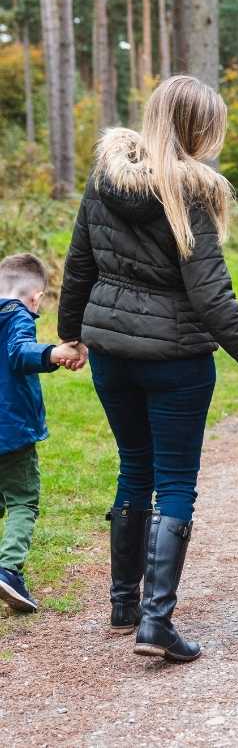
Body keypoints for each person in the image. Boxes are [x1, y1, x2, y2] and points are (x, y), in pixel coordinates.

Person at [57, 75, 238, 662]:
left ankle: (123, 601)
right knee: (175, 483)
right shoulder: (190, 194)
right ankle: (155, 622)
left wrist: (71, 334)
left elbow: (78, 266)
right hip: (176, 362)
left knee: (133, 467)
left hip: (111, 354)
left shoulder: (105, 179)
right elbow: (214, 301)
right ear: (198, 129)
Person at [0, 254, 81, 613]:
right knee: (22, 500)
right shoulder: (16, 314)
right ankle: (9, 570)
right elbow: (19, 353)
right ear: (36, 298)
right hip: (11, 430)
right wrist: (54, 353)